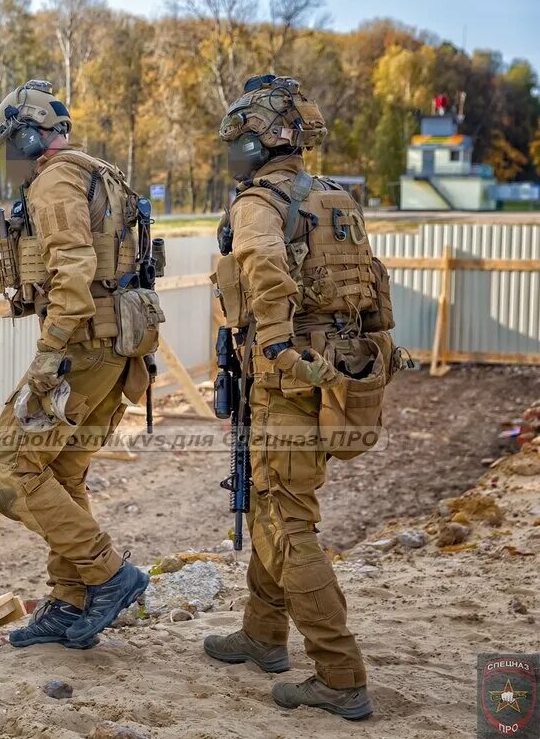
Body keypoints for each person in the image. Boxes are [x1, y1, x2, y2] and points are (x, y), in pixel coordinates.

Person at [205, 74, 401, 721]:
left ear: (264, 139)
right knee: (275, 499)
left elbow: (265, 273)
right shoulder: (335, 199)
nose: (233, 152)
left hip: (289, 381)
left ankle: (340, 674)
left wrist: (281, 351)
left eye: (238, 139)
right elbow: (372, 285)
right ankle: (264, 634)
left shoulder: (259, 204)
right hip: (332, 372)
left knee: (286, 519)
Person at [0, 80, 157, 651]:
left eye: (12, 146)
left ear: (32, 137)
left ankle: (108, 574)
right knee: (61, 473)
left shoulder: (56, 178)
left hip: (81, 347)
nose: (9, 163)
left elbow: (75, 273)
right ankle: (70, 598)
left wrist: (50, 353)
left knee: (13, 470)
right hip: (114, 347)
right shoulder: (96, 171)